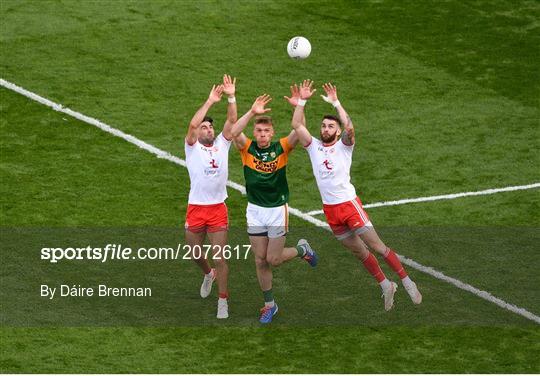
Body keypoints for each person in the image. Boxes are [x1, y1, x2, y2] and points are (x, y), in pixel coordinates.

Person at [289, 80, 422, 311]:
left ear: (337, 131)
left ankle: (407, 281)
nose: (326, 129)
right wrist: (301, 102)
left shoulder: (344, 145)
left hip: (349, 206)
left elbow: (350, 128)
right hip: (330, 211)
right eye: (323, 126)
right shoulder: (313, 146)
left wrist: (336, 103)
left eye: (331, 126)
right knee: (360, 252)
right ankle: (385, 285)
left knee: (378, 247)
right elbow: (296, 124)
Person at [230, 93, 318, 324]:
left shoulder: (282, 147)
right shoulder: (246, 148)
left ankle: (302, 250)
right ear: (255, 132)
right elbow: (232, 132)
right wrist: (251, 112)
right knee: (260, 260)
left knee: (274, 259)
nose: (261, 134)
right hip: (255, 210)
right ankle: (270, 305)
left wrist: (300, 105)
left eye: (266, 131)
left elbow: (299, 130)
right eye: (258, 131)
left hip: (277, 210)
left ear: (272, 132)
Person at [184, 74, 237, 319]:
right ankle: (208, 274)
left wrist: (231, 97)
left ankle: (223, 301)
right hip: (196, 207)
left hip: (217, 208)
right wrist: (209, 101)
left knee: (220, 258)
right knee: (195, 253)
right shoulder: (192, 147)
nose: (207, 129)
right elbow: (192, 126)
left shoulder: (222, 144)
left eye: (210, 127)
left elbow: (232, 121)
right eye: (205, 127)